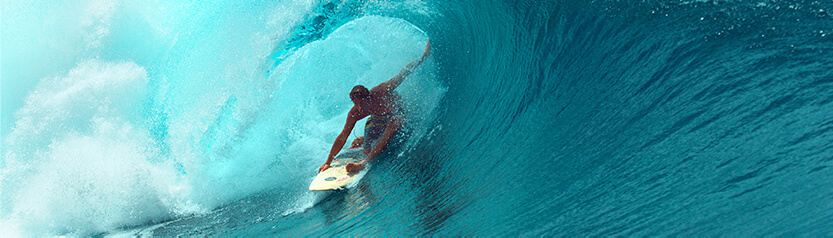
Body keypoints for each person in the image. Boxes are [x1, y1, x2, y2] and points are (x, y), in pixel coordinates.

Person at [319, 40, 431, 173]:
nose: (360, 107)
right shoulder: (355, 113)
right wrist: (328, 162)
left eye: (362, 103)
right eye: (356, 104)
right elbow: (343, 136)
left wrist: (423, 56)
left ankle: (363, 163)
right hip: (380, 118)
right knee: (367, 150)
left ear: (369, 97)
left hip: (400, 114)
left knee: (394, 122)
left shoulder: (382, 91)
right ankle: (363, 140)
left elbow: (403, 73)